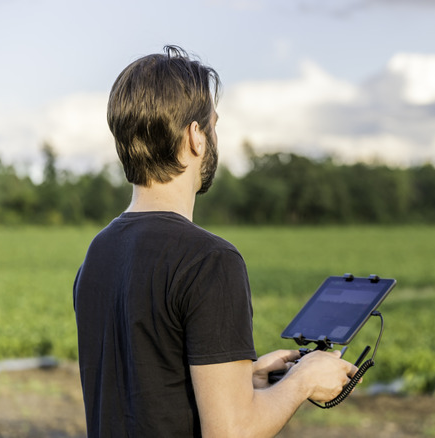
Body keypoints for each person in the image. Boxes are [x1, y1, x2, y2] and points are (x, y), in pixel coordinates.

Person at [73, 45, 358, 438]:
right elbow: (231, 432)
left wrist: (245, 377)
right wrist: (303, 381)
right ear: (196, 137)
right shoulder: (209, 260)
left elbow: (145, 389)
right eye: (213, 124)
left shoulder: (99, 252)